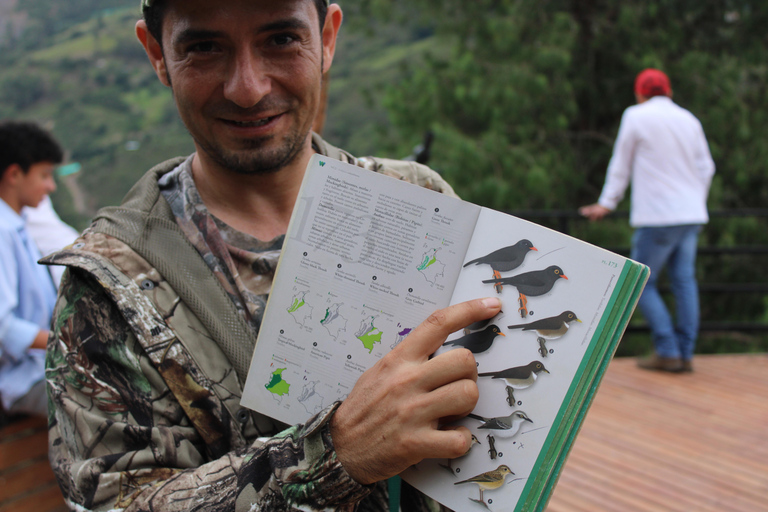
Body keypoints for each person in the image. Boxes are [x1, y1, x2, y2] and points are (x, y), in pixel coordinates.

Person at [44, 1, 502, 511]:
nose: (248, 88)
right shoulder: (111, 286)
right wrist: (335, 456)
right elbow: (117, 500)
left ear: (327, 38)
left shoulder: (422, 199)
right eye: (204, 47)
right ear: (157, 54)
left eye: (281, 39)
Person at [579, 68, 716, 373]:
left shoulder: (636, 116)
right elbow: (707, 168)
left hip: (658, 216)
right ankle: (685, 352)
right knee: (684, 281)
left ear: (639, 93)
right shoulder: (689, 119)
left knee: (642, 284)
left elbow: (621, 163)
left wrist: (607, 202)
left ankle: (668, 350)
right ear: (669, 92)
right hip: (691, 215)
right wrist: (695, 200)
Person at [0, 121, 62, 417]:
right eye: (44, 175)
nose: (50, 186)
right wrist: (63, 343)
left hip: (43, 367)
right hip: (22, 379)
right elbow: (3, 327)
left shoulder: (17, 225)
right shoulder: (3, 231)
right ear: (14, 174)